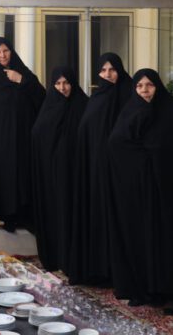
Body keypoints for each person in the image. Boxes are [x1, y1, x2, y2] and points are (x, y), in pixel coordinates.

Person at [107, 68, 173, 315]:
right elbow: (116, 147)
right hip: (141, 195)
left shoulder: (172, 115)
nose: (144, 90)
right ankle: (144, 290)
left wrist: (157, 155)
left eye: (149, 85)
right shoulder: (129, 114)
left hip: (169, 195)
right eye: (139, 86)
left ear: (158, 87)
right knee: (142, 240)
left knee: (169, 242)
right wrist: (144, 158)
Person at [68, 52, 133, 284]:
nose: (107, 74)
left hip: (119, 171)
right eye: (103, 70)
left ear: (120, 70)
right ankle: (98, 269)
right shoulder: (96, 98)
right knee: (97, 216)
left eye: (112, 69)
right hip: (95, 169)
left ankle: (118, 272)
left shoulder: (129, 95)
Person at [0, 37, 45, 232]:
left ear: (11, 51)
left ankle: (24, 216)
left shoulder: (22, 72)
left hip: (23, 136)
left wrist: (20, 79)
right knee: (4, 176)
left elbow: (41, 97)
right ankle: (7, 217)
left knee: (23, 175)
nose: (2, 55)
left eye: (5, 51)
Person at [31, 66, 88, 271]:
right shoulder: (48, 108)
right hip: (51, 177)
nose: (62, 88)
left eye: (66, 83)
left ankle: (74, 260)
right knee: (55, 215)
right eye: (58, 83)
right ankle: (55, 257)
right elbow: (38, 137)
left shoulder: (83, 106)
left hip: (76, 174)